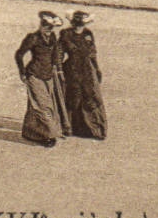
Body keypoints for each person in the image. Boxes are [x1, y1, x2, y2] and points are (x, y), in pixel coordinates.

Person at [14, 11, 70, 147]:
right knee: (44, 106)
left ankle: (31, 132)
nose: (48, 29)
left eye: (51, 27)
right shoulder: (33, 38)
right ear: (41, 24)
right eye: (45, 25)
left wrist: (59, 69)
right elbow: (19, 54)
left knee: (38, 105)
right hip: (34, 75)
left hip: (49, 76)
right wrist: (22, 72)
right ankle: (49, 135)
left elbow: (56, 55)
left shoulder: (52, 38)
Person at [60, 11, 106, 139]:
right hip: (72, 69)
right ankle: (68, 127)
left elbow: (92, 53)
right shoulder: (66, 34)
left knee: (90, 97)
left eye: (81, 24)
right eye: (76, 23)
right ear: (72, 23)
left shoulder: (88, 34)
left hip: (87, 69)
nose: (79, 26)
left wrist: (97, 69)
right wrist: (58, 70)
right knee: (73, 98)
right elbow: (59, 53)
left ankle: (92, 128)